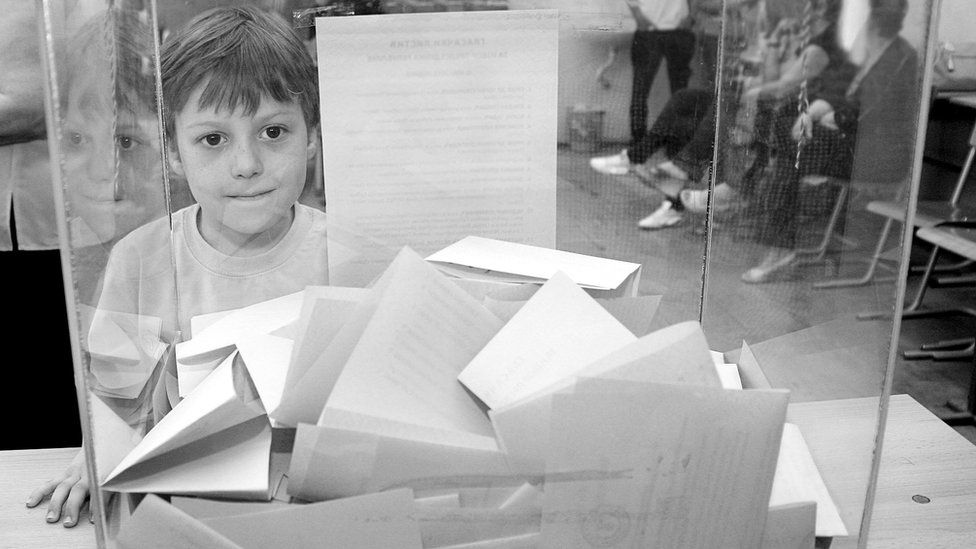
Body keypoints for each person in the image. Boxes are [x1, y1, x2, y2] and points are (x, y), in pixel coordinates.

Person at [27, 5, 329, 526]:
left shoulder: (342, 253)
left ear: (313, 137)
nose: (247, 164)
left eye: (273, 132)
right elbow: (116, 398)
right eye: (213, 139)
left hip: (312, 502)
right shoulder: (139, 258)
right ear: (172, 151)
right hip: (183, 507)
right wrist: (93, 455)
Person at [739, 0, 917, 283]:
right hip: (851, 142)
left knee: (790, 147)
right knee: (790, 135)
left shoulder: (902, 55)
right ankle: (778, 245)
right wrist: (813, 113)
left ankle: (778, 245)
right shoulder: (866, 46)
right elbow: (839, 91)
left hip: (877, 155)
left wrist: (833, 116)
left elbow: (876, 109)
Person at [589, 0, 696, 177]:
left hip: (680, 32)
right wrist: (639, 17)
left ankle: (675, 148)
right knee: (640, 90)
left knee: (680, 93)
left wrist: (692, 16)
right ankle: (637, 146)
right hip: (648, 33)